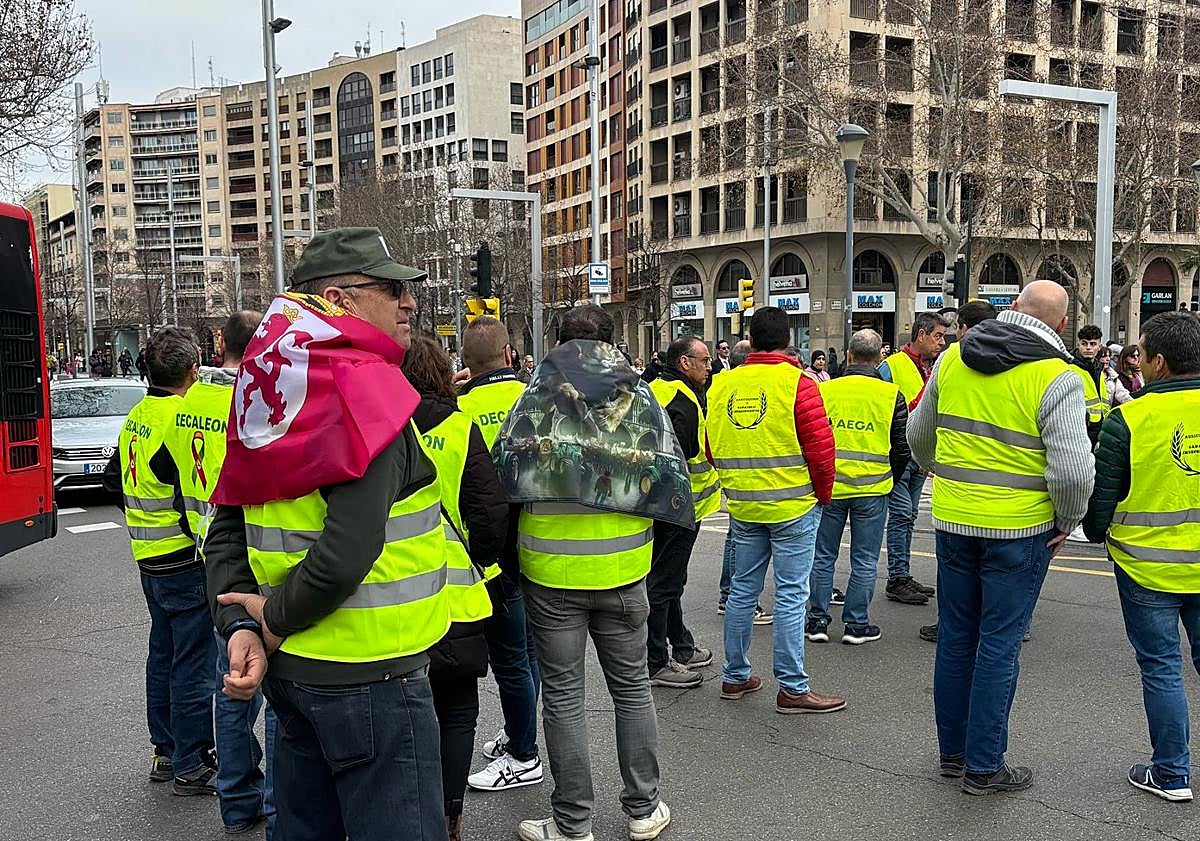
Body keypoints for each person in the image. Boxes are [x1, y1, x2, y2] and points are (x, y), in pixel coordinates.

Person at [204, 227, 452, 841]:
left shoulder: (263, 391)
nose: (409, 303)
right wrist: (272, 620)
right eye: (392, 289)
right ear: (340, 299)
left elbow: (227, 526)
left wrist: (241, 627)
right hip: (375, 678)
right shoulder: (368, 388)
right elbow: (348, 552)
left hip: (292, 678)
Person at [908, 280, 1094, 795]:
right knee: (999, 646)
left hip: (953, 520)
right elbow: (1074, 471)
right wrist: (1067, 520)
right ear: (1061, 325)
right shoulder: (1057, 376)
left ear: (1012, 309)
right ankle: (986, 767)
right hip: (1020, 530)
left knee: (957, 638)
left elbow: (919, 434)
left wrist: (942, 475)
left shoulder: (950, 361)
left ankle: (953, 755)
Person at [506, 304, 672, 841]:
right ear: (612, 340)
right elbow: (668, 478)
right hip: (625, 570)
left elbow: (505, 476)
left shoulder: (534, 396)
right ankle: (643, 811)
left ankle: (573, 823)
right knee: (632, 692)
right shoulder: (640, 396)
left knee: (563, 698)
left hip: (552, 572)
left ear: (558, 341)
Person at [161, 311, 275, 833]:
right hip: (253, 548)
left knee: (229, 680)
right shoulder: (253, 402)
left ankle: (235, 799)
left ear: (219, 344)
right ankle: (275, 802)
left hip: (209, 550)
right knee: (270, 690)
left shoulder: (188, 405)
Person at [1083, 311, 1200, 803]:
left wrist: (1091, 529)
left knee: (1162, 668)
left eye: (1141, 351)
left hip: (1146, 566)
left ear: (1157, 361)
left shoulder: (1127, 418)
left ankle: (1172, 773)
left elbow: (1103, 498)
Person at [706, 306, 841, 714]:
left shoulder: (722, 385)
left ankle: (735, 676)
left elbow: (712, 448)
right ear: (788, 341)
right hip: (793, 506)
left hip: (744, 506)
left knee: (743, 591)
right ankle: (793, 687)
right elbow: (821, 451)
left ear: (751, 339)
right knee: (790, 594)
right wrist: (822, 496)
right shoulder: (798, 384)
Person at [101, 326, 217, 796]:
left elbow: (114, 482)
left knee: (164, 657)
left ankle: (166, 752)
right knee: (192, 664)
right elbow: (192, 490)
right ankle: (191, 762)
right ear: (193, 371)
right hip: (183, 560)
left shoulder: (139, 414)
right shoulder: (180, 418)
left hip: (148, 558)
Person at [404, 335, 509, 840]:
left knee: (408, 709)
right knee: (459, 708)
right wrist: (482, 562)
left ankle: (412, 809)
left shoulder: (382, 428)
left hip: (397, 596)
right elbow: (489, 516)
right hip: (458, 594)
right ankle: (450, 814)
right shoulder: (460, 427)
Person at [459, 317, 545, 793]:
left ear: (467, 364)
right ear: (511, 354)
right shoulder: (535, 401)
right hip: (539, 539)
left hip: (491, 552)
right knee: (527, 651)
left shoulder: (460, 410)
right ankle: (520, 730)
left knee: (511, 658)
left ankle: (523, 753)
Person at [806, 329, 909, 646]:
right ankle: (856, 624)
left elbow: (810, 439)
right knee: (865, 559)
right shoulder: (891, 395)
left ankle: (817, 621)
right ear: (880, 357)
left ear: (848, 355)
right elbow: (902, 448)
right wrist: (889, 478)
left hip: (830, 487)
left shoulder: (825, 390)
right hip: (872, 488)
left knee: (822, 556)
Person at [918, 299, 998, 644]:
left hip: (957, 498)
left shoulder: (950, 360)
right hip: (1011, 503)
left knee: (955, 574)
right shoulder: (1035, 362)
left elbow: (919, 430)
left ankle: (951, 624)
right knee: (998, 579)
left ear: (964, 328)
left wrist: (929, 463)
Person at [646, 336, 722, 688]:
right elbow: (688, 449)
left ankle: (682, 646)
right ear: (684, 363)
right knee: (665, 583)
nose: (709, 366)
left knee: (669, 579)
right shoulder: (684, 399)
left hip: (656, 503)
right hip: (680, 506)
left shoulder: (654, 388)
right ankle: (657, 661)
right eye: (704, 360)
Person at [878, 311, 948, 606]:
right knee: (902, 515)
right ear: (921, 334)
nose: (942, 343)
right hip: (898, 457)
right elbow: (881, 407)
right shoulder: (892, 366)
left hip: (919, 457)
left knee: (907, 518)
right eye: (938, 336)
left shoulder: (931, 368)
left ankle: (902, 574)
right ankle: (897, 578)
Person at [716, 339, 772, 624]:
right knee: (739, 541)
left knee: (733, 538)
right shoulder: (752, 388)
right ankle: (733, 597)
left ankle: (728, 595)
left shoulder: (720, 386)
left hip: (732, 478)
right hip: (753, 481)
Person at [1071, 323, 1108, 446]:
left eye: (1093, 344)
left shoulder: (1098, 368)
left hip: (1099, 427)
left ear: (1099, 346)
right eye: (1084, 343)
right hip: (1080, 429)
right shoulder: (1071, 368)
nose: (1088, 348)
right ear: (1078, 345)